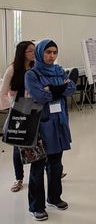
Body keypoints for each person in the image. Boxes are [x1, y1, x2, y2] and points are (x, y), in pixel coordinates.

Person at [25, 39, 76, 221]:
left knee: (56, 165)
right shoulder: (32, 75)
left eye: (54, 52)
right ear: (40, 53)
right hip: (41, 125)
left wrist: (53, 88)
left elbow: (71, 88)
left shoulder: (59, 70)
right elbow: (40, 95)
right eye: (48, 52)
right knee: (38, 168)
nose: (51, 56)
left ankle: (54, 197)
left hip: (59, 124)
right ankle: (36, 206)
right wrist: (59, 89)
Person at [0, 41, 35, 192]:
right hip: (19, 110)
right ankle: (19, 178)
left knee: (40, 141)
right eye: (30, 51)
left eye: (35, 50)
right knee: (17, 146)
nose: (34, 53)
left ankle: (51, 170)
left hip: (35, 108)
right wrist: (13, 106)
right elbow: (3, 91)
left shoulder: (36, 67)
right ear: (22, 53)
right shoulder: (13, 69)